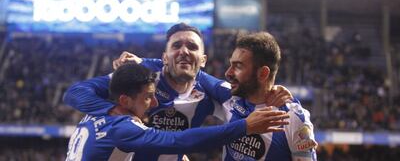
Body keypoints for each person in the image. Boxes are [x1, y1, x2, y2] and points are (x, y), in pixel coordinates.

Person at [63, 23, 292, 160]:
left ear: (203, 60)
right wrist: (114, 111)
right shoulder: (142, 75)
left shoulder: (208, 88)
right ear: (164, 57)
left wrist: (277, 93)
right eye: (176, 46)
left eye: (192, 47)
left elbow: (250, 93)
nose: (184, 51)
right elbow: (75, 92)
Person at [65, 63, 290, 161]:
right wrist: (245, 126)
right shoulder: (122, 127)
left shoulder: (94, 109)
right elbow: (178, 140)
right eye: (146, 97)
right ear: (124, 99)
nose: (153, 104)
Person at [203, 32, 318, 161]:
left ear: (263, 73)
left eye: (238, 66)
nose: (228, 73)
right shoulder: (229, 96)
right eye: (231, 65)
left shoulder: (293, 118)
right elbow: (197, 75)